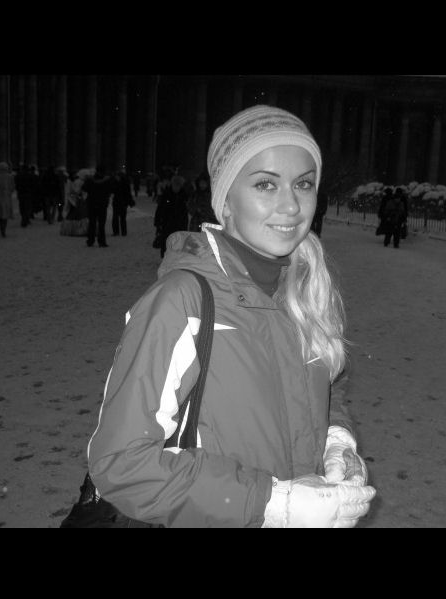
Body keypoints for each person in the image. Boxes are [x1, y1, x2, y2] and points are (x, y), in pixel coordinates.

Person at [86, 105, 376, 528]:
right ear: (225, 202)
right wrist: (274, 504)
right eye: (265, 184)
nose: (291, 206)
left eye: (304, 184)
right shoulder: (181, 302)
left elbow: (328, 390)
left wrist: (336, 444)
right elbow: (120, 463)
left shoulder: (306, 294)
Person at [153, 172, 189, 257]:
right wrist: (157, 223)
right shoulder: (166, 195)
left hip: (179, 225)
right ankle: (165, 258)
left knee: (177, 245)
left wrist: (184, 226)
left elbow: (185, 214)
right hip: (166, 224)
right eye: (175, 185)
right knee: (166, 243)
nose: (176, 187)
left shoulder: (183, 196)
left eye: (178, 185)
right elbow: (160, 209)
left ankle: (174, 259)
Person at [82, 164, 114, 247]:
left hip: (92, 203)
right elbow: (111, 190)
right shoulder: (107, 180)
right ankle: (101, 241)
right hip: (102, 204)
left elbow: (84, 188)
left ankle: (90, 240)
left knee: (92, 223)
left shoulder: (90, 180)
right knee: (101, 224)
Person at [0, 161, 15, 237]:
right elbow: (12, 187)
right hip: (6, 197)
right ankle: (4, 229)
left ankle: (1, 228)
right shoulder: (10, 176)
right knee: (5, 214)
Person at [111, 170, 134, 236]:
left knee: (118, 217)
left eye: (117, 176)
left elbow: (127, 193)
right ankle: (122, 232)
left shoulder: (119, 183)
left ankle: (118, 232)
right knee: (120, 218)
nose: (116, 177)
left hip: (120, 202)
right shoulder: (124, 183)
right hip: (122, 202)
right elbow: (128, 193)